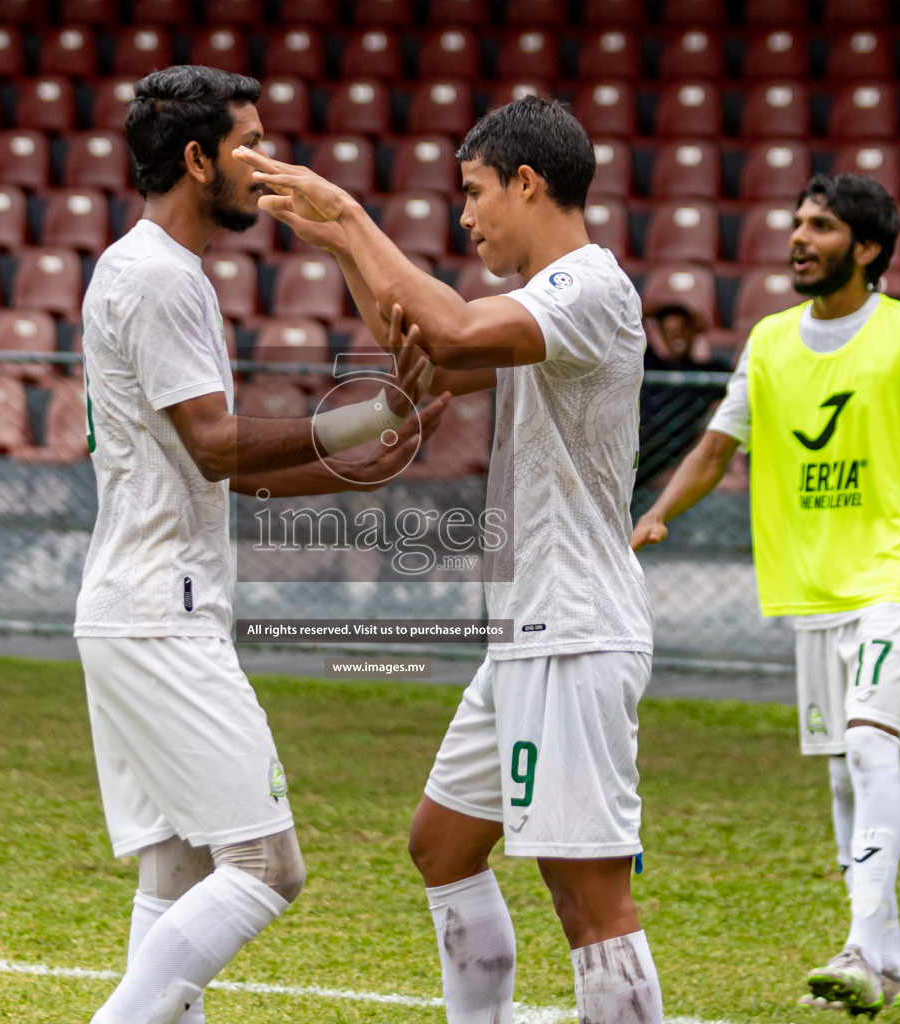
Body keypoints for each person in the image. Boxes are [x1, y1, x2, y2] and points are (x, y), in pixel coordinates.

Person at [239, 95, 665, 1023]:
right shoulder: (536, 306)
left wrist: (354, 216)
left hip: (575, 633)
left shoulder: (590, 286)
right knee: (441, 846)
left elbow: (459, 334)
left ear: (526, 182)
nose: (465, 217)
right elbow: (435, 358)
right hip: (527, 633)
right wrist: (344, 248)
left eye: (473, 194)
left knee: (589, 898)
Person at [75, 65, 446, 1024]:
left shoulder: (148, 268)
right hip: (163, 611)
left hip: (134, 606)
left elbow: (225, 469)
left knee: (178, 869)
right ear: (198, 160)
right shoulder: (160, 276)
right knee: (267, 867)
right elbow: (216, 443)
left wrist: (375, 457)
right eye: (248, 144)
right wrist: (359, 420)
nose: (268, 164)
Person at [632, 173, 900, 1016]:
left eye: (821, 226)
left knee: (871, 748)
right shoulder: (767, 342)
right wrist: (653, 516)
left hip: (899, 573)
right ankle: (891, 965)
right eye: (796, 223)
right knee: (843, 773)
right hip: (814, 587)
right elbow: (718, 447)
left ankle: (861, 952)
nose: (798, 238)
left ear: (866, 249)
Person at [640, 300, 730, 486]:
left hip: (676, 447)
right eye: (670, 331)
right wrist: (656, 312)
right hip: (644, 442)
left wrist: (700, 328)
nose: (677, 336)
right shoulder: (651, 364)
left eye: (683, 330)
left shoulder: (707, 372)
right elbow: (632, 319)